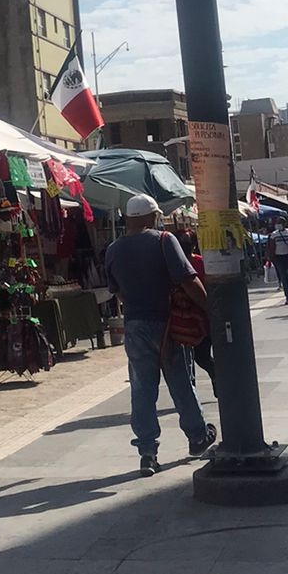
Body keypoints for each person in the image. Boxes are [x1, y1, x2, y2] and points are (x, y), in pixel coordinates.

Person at [104, 195, 216, 477]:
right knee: (181, 382)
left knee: (142, 389)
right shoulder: (164, 240)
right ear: (150, 216)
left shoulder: (113, 250)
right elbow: (188, 280)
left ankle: (147, 452)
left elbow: (117, 291)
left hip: (135, 325)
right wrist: (210, 309)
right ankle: (197, 437)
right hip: (168, 324)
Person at [174, 229, 216, 396]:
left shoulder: (201, 263)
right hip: (186, 318)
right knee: (190, 360)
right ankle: (192, 394)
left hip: (198, 318)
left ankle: (214, 377)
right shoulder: (174, 264)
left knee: (199, 357)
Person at [267, 220, 288, 305]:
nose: (278, 225)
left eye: (280, 223)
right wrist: (270, 259)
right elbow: (271, 247)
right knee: (283, 277)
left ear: (284, 224)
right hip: (279, 258)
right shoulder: (274, 234)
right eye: (277, 223)